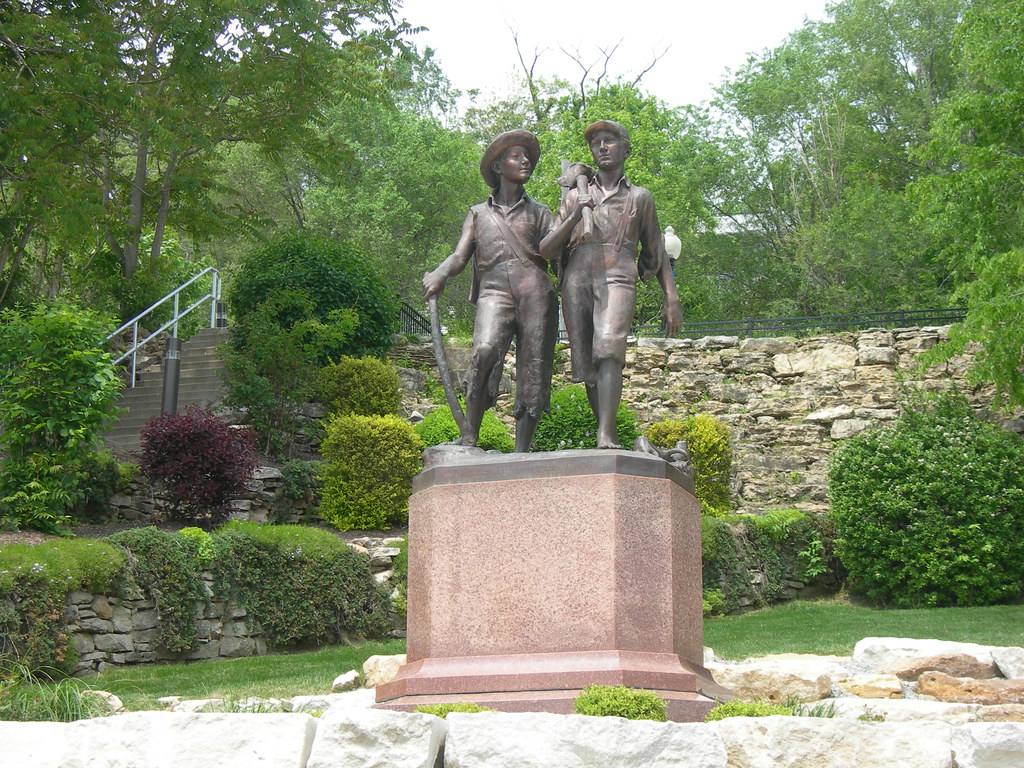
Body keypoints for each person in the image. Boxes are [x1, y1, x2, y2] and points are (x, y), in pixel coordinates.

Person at [541, 120, 682, 449]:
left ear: (625, 148)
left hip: (618, 272)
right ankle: (606, 431)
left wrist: (671, 297)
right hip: (577, 276)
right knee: (588, 360)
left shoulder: (640, 198)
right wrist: (576, 213)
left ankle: (606, 433)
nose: (602, 147)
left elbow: (656, 249)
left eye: (609, 140)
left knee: (608, 347)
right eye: (595, 143)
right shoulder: (576, 196)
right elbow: (547, 249)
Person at [422, 130, 558, 452]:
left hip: (535, 292)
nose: (525, 160)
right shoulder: (478, 213)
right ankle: (470, 435)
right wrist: (440, 273)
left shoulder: (540, 212)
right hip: (494, 291)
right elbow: (459, 256)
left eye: (528, 157)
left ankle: (521, 452)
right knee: (483, 352)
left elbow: (557, 251)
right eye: (516, 155)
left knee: (534, 367)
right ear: (497, 166)